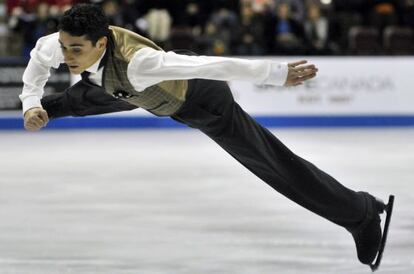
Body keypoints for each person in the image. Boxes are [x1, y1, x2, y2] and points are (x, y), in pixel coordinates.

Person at [20, 4, 393, 271]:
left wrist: (276, 74)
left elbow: (210, 66)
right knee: (82, 96)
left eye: (76, 50)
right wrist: (31, 103)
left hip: (199, 98)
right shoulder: (60, 43)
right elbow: (38, 61)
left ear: (100, 44)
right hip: (137, 90)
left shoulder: (141, 64)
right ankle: (47, 110)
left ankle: (360, 213)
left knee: (270, 163)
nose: (66, 56)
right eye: (65, 46)